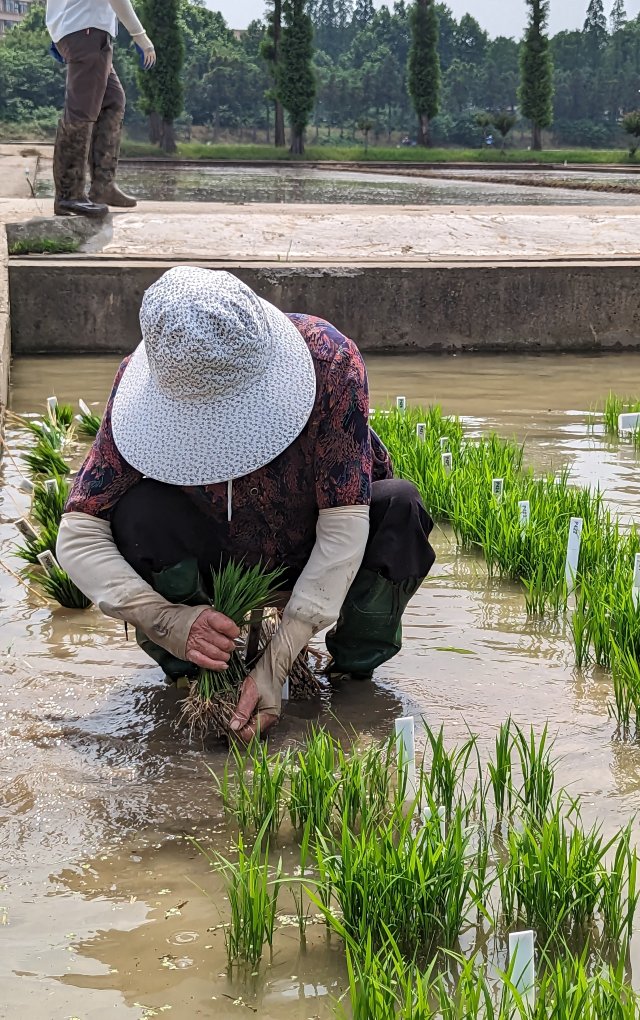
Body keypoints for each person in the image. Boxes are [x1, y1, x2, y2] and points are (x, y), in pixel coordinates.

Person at [56, 267, 436, 741]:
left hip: (312, 547)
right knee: (138, 514)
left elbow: (344, 526)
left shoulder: (329, 360)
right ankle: (196, 674)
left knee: (399, 506)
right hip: (217, 553)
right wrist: (169, 621)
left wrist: (278, 661)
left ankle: (352, 675)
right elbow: (78, 532)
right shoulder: (150, 384)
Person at [45, 0, 156, 218]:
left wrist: (58, 33)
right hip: (87, 31)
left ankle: (102, 186)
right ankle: (69, 196)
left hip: (79, 29)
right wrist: (140, 35)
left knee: (112, 101)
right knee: (81, 112)